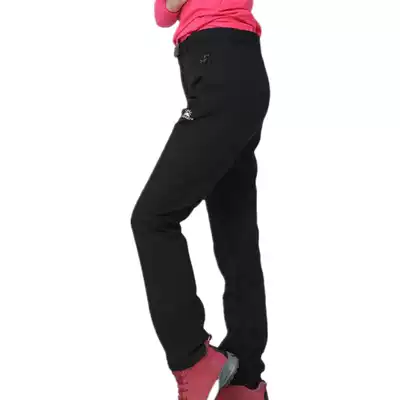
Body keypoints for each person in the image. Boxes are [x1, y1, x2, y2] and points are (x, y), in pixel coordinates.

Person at [131, 0, 270, 398]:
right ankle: (245, 380)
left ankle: (191, 356)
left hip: (219, 69)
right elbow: (163, 14)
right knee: (235, 232)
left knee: (153, 218)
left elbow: (169, 7)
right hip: (236, 69)